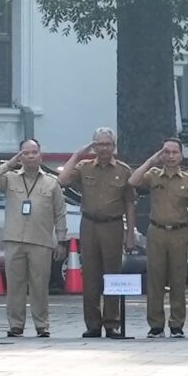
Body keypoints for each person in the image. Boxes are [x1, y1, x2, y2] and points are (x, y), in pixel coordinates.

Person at [0, 139, 66, 337]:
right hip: (14, 240)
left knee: (39, 285)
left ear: (40, 155)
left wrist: (61, 240)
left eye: (34, 152)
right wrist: (8, 164)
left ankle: (42, 325)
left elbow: (60, 213)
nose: (30, 156)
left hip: (41, 241)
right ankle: (16, 324)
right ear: (20, 156)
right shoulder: (10, 178)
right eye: (25, 153)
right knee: (15, 285)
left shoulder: (51, 182)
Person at [60, 128, 134, 339]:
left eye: (107, 144)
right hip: (90, 225)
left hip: (113, 225)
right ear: (93, 146)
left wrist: (129, 235)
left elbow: (130, 203)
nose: (103, 148)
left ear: (114, 147)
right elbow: (63, 180)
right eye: (99, 144)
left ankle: (112, 323)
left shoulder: (123, 170)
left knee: (112, 275)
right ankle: (93, 324)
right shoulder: (84, 168)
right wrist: (77, 155)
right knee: (90, 276)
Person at [128, 139, 188, 338]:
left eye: (175, 152)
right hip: (157, 231)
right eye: (166, 152)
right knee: (155, 280)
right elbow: (133, 181)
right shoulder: (153, 176)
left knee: (178, 280)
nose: (170, 156)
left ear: (181, 155)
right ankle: (156, 325)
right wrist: (152, 160)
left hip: (179, 232)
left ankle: (177, 324)